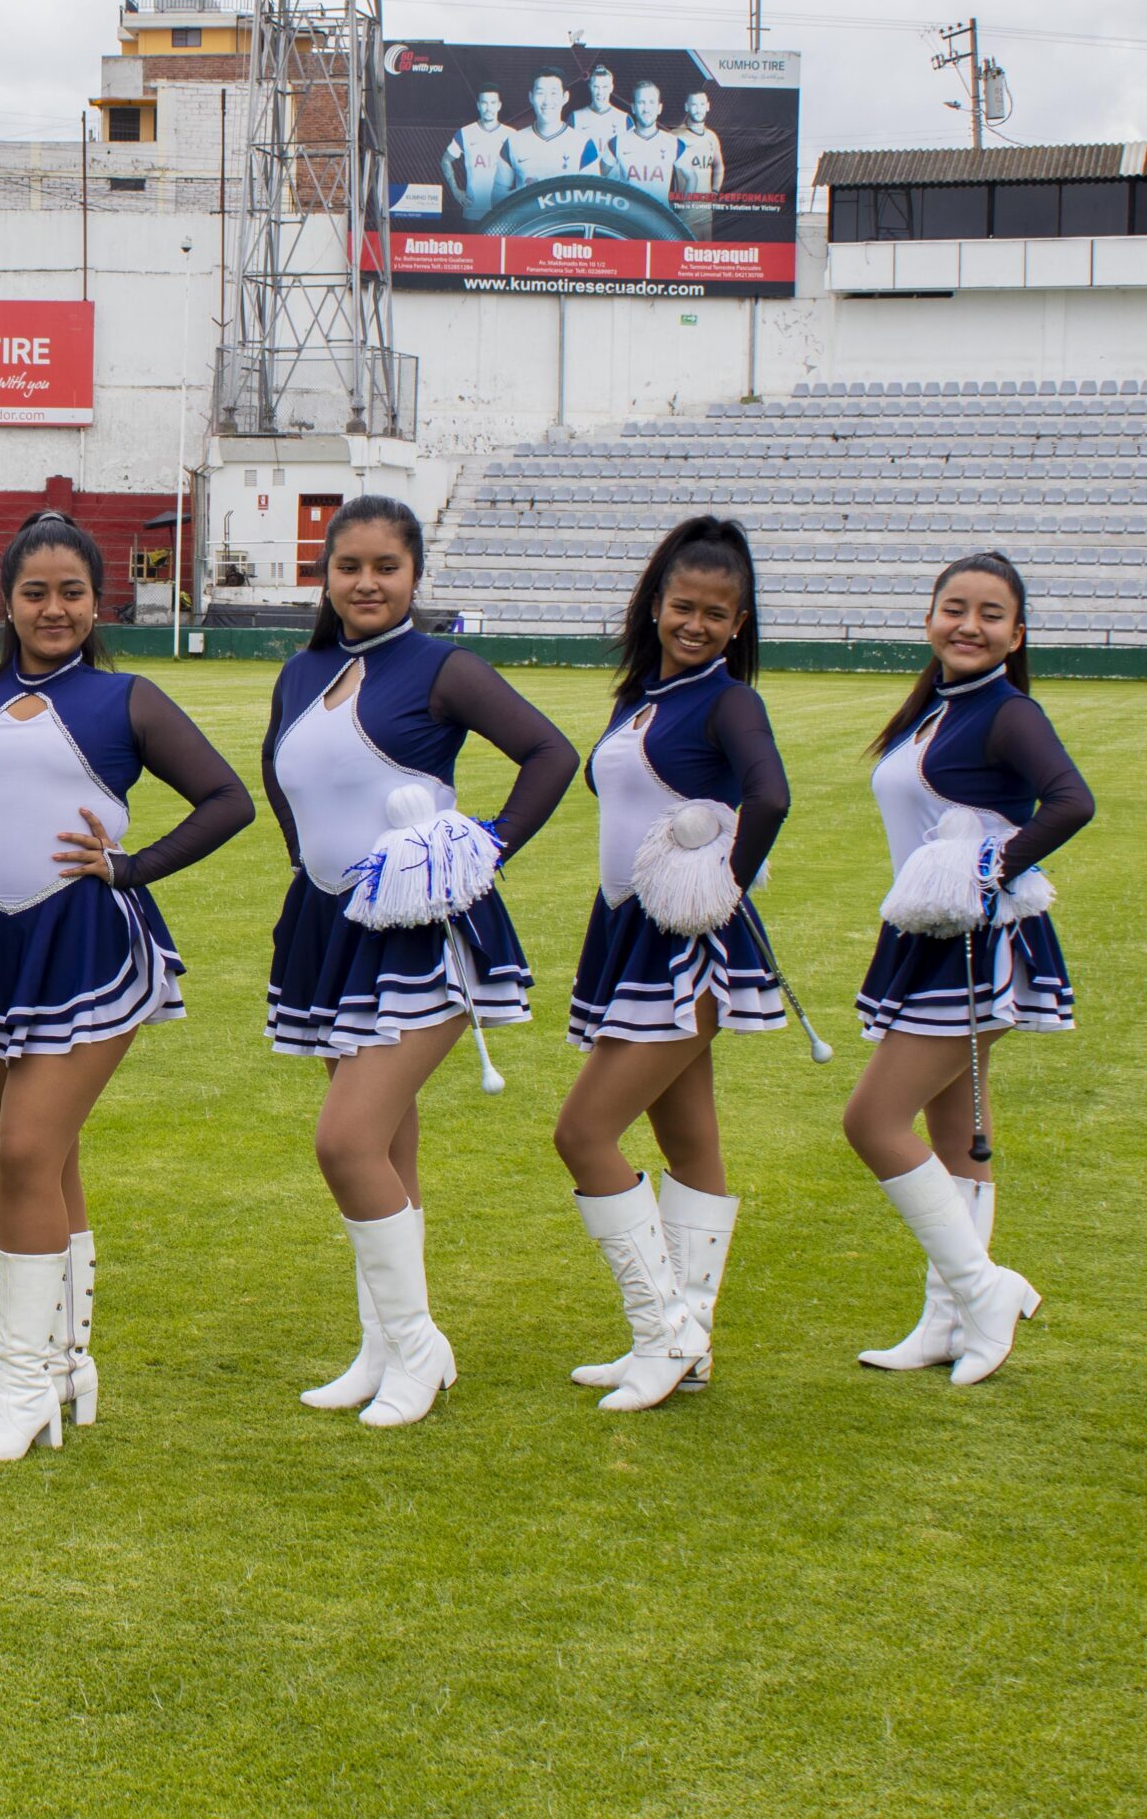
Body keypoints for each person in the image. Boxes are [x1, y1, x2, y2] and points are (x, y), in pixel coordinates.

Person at [0, 511, 253, 1461]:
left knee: (24, 1151)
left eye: (72, 592)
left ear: (98, 603)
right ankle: (65, 1365)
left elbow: (228, 799)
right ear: (9, 600)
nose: (53, 609)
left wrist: (131, 867)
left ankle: (21, 1385)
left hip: (86, 943)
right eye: (35, 592)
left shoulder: (126, 698)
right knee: (45, 1156)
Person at [262, 494, 576, 1428]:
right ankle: (384, 1347)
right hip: (332, 930)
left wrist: (480, 848)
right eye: (349, 567)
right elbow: (282, 779)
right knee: (388, 1144)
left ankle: (419, 1345)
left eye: (385, 568)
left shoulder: (445, 669)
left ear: (414, 575)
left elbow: (549, 754)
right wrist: (308, 865)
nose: (366, 583)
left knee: (346, 1142)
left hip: (420, 934)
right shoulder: (302, 672)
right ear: (325, 575)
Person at [553, 518, 789, 1410]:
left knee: (583, 1133)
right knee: (689, 1140)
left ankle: (666, 1334)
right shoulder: (642, 698)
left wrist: (721, 879)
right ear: (655, 604)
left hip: (684, 944)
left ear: (739, 623)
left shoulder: (730, 702)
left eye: (716, 614)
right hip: (628, 935)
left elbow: (770, 796)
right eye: (683, 606)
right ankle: (686, 1339)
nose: (696, 624)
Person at [845, 553, 1089, 1386]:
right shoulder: (936, 710)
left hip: (976, 943)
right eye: (955, 608)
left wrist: (991, 866)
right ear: (929, 619)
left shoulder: (1007, 712)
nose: (969, 625)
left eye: (991, 614)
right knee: (958, 1136)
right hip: (931, 938)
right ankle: (948, 1321)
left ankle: (985, 1293)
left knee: (872, 1123)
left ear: (1017, 635)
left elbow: (1072, 800)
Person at [501, 67, 596, 188]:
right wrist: (528, 192)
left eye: (553, 93)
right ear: (531, 97)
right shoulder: (513, 143)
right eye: (540, 93)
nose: (547, 101)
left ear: (565, 97)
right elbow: (498, 194)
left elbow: (593, 194)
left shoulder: (583, 144)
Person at [599, 81, 685, 208]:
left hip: (661, 216)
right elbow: (598, 176)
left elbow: (691, 177)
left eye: (651, 102)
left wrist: (681, 208)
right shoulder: (616, 142)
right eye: (641, 102)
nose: (646, 109)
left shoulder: (674, 143)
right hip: (628, 216)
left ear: (659, 108)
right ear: (633, 108)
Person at [443, 85, 511, 224]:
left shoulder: (511, 135)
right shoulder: (465, 133)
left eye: (493, 103)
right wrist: (456, 191)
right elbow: (445, 160)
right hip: (473, 210)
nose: (488, 108)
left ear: (499, 105)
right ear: (478, 105)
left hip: (503, 211)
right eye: (484, 103)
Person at [674, 91, 726, 240]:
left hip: (705, 212)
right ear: (686, 107)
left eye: (702, 104)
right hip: (685, 213)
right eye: (694, 104)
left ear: (708, 106)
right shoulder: (675, 136)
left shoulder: (711, 136)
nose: (698, 109)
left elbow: (719, 166)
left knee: (705, 252)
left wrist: (715, 191)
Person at [570, 63, 625, 151]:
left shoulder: (624, 119)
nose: (600, 92)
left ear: (611, 88)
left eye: (604, 87)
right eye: (596, 87)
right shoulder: (575, 118)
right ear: (590, 87)